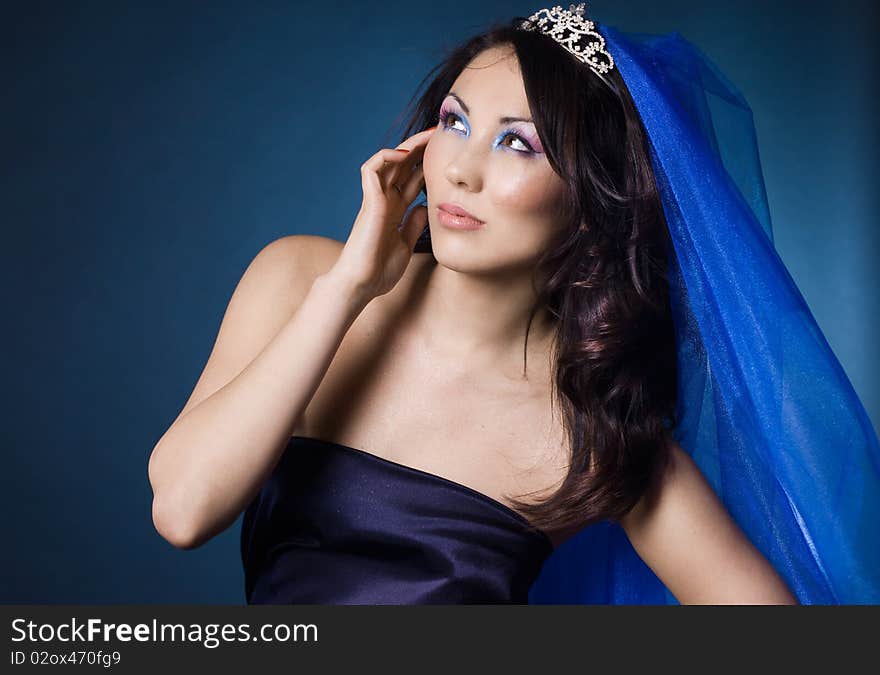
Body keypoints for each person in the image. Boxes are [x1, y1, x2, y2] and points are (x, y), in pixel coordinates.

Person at [147, 4, 880, 604]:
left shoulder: (592, 431)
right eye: (456, 121)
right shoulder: (297, 277)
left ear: (592, 204)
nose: (461, 169)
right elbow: (183, 510)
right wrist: (347, 290)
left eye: (518, 145)